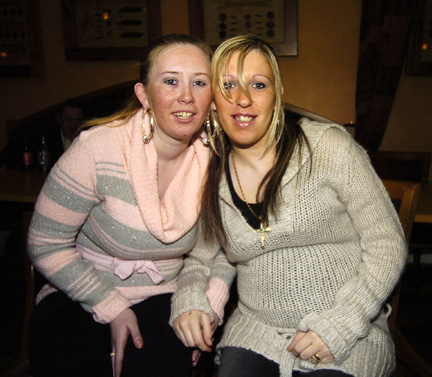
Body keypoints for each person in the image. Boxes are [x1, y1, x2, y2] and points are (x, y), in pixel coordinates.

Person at [171, 34, 407, 377]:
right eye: (228, 85)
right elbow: (201, 258)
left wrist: (343, 323)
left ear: (278, 94)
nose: (243, 99)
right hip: (257, 331)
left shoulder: (327, 147)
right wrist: (190, 299)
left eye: (258, 84)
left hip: (349, 330)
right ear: (211, 101)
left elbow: (387, 244)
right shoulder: (208, 175)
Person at [27, 34, 233, 377]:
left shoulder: (218, 161)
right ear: (144, 95)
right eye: (170, 81)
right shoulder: (99, 149)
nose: (186, 95)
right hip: (80, 287)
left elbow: (223, 249)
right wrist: (110, 305)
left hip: (166, 294)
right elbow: (44, 242)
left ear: (212, 98)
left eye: (199, 82)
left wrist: (204, 307)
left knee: (162, 362)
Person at [0, 99, 84, 171]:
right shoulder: (46, 139)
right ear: (59, 119)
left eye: (77, 120)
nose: (73, 125)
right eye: (68, 119)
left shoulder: (87, 141)